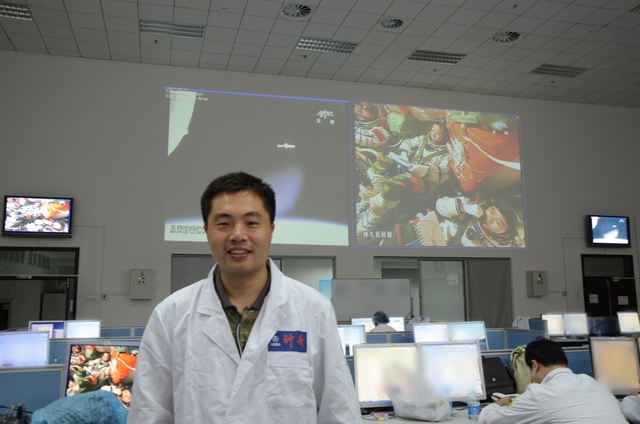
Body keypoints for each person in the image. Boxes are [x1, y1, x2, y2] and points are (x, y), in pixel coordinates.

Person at [128, 172, 360, 424]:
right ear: (206, 230)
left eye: (251, 223)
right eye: (223, 224)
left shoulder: (314, 309)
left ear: (271, 229)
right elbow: (148, 414)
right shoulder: (171, 314)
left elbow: (338, 411)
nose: (237, 235)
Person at [478, 338, 627, 424]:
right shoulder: (597, 385)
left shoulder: (540, 393)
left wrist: (499, 403)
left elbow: (488, 420)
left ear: (535, 365)